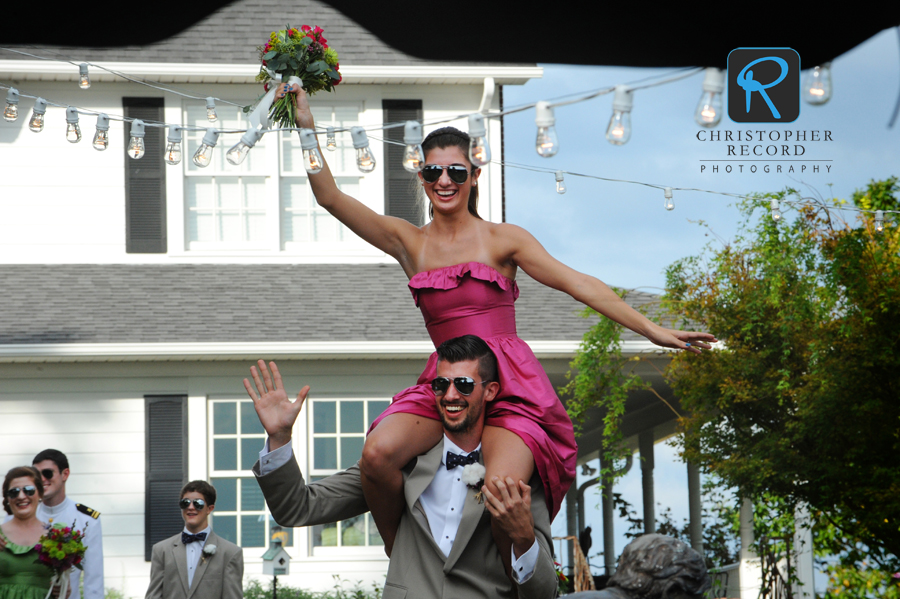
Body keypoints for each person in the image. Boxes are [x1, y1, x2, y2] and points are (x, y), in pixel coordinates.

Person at [276, 84, 717, 561]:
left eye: (456, 171)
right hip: (446, 382)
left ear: (474, 175)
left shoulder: (503, 239)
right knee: (379, 453)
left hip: (506, 381)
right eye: (433, 171)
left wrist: (652, 330)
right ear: (421, 177)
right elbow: (328, 196)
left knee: (505, 488)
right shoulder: (409, 242)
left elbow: (578, 282)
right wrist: (305, 124)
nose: (444, 180)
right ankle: (402, 555)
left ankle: (518, 584)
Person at [246, 335, 559, 599]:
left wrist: (523, 538)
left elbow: (544, 592)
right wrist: (279, 438)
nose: (451, 395)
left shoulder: (514, 473)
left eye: (464, 384)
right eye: (441, 384)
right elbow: (297, 508)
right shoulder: (404, 464)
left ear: (489, 391)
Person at [145, 481, 243, 599]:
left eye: (198, 503)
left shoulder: (230, 553)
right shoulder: (161, 550)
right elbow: (153, 596)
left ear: (209, 508)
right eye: (185, 503)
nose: (191, 507)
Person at [28, 450, 103, 599]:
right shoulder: (23, 514)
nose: (42, 479)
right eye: (36, 475)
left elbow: (94, 580)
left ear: (65, 474)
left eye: (48, 473)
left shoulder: (87, 519)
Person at [0, 466, 53, 599]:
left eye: (29, 490)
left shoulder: (55, 536)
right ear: (7, 498)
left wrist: (63, 589)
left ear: (40, 493)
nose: (21, 496)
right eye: (14, 492)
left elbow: (63, 585)